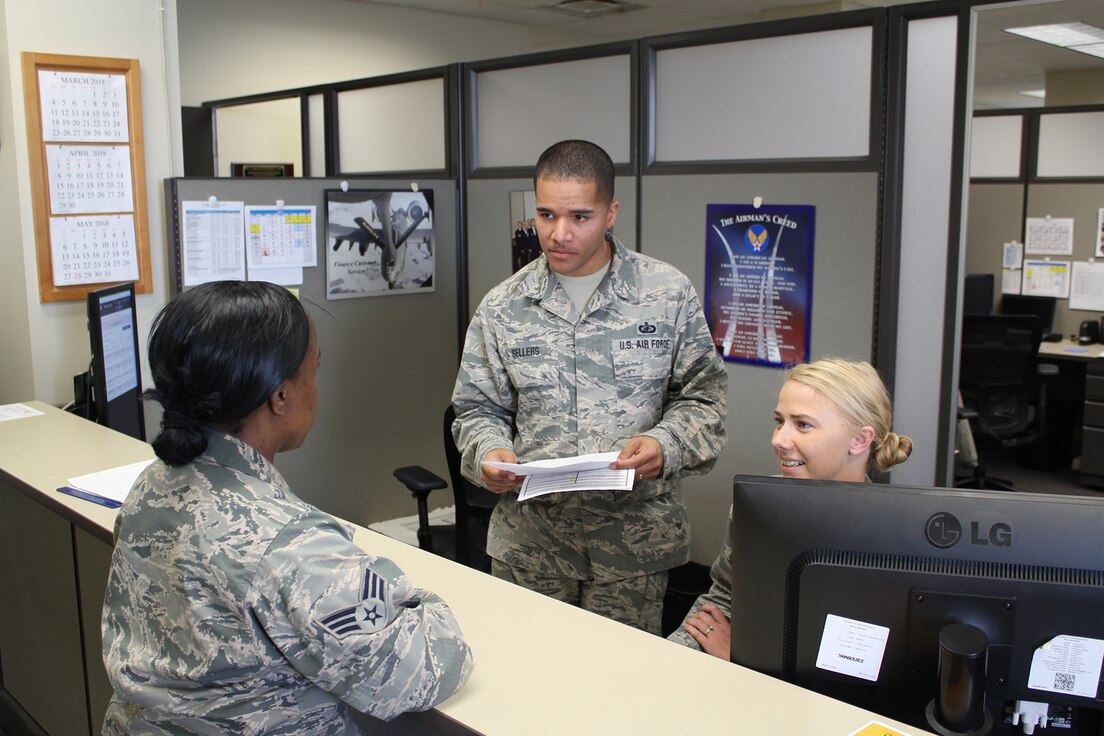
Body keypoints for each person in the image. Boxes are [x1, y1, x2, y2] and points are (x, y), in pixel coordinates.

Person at [101, 281, 472, 735]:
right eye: (312, 370)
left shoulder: (153, 483)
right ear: (280, 396)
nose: (315, 387)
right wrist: (414, 601)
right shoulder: (287, 544)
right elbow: (422, 671)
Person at [451, 139, 728, 634]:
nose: (559, 234)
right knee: (527, 686)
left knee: (622, 693)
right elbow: (474, 409)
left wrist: (665, 445)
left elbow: (704, 399)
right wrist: (489, 451)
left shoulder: (665, 294)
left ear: (611, 212)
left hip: (633, 546)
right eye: (546, 214)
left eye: (580, 216)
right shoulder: (503, 307)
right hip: (532, 545)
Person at [668, 358, 913, 658]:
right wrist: (675, 658)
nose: (779, 440)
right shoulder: (758, 506)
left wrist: (746, 657)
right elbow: (724, 597)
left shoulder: (890, 536)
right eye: (779, 421)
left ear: (860, 439)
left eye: (803, 425)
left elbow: (854, 665)